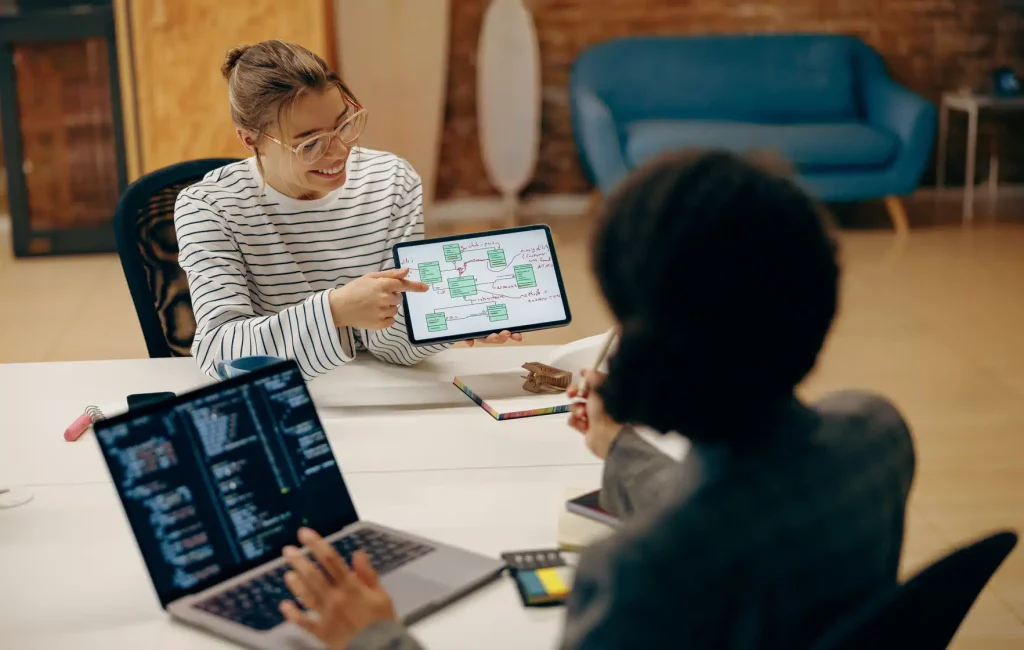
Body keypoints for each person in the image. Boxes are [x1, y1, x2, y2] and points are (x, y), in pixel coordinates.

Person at [273, 151, 916, 649]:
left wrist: (374, 637)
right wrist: (621, 449)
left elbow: (710, 529)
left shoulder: (637, 574)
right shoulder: (877, 435)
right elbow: (746, 504)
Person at [174, 40, 519, 380]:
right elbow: (220, 353)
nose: (339, 152)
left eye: (344, 125)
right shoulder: (208, 208)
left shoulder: (391, 180)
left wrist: (446, 321)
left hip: (379, 393)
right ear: (251, 140)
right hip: (285, 400)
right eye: (310, 143)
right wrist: (336, 311)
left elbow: (386, 345)